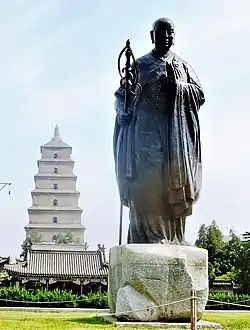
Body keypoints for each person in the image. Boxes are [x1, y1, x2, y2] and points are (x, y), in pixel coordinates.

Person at [113, 17, 205, 245]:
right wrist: (123, 111)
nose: (165, 37)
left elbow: (199, 94)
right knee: (148, 187)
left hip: (174, 138)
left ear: (174, 36)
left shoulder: (183, 67)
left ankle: (174, 237)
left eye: (169, 32)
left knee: (172, 184)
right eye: (160, 32)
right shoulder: (141, 65)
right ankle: (148, 237)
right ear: (152, 36)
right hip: (144, 136)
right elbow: (121, 96)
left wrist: (178, 88)